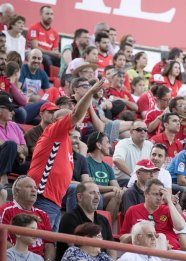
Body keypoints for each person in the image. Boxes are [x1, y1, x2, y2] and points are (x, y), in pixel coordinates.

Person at [28, 79, 105, 231]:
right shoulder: (54, 131)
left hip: (55, 199)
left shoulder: (66, 142)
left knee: (50, 243)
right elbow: (76, 115)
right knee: (41, 240)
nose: (72, 119)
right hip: (43, 195)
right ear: (58, 120)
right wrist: (90, 92)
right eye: (67, 116)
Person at [0, 176, 54, 261]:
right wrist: (23, 259)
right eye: (29, 187)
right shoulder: (6, 210)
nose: (34, 190)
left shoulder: (43, 214)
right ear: (17, 191)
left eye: (35, 188)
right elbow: (2, 240)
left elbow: (49, 243)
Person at [56, 181, 115, 261]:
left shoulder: (103, 220)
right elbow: (75, 250)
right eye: (92, 193)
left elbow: (111, 248)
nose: (97, 197)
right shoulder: (69, 218)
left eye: (98, 193)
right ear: (79, 197)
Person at [58, 222, 126, 261]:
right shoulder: (73, 251)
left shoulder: (101, 256)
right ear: (86, 238)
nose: (102, 240)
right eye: (99, 236)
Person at [86, 131, 124, 221]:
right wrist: (112, 188)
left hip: (104, 198)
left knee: (121, 194)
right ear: (99, 145)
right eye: (107, 142)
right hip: (90, 197)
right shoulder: (85, 162)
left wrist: (120, 190)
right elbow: (90, 187)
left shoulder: (107, 167)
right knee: (116, 194)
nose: (110, 146)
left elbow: (116, 188)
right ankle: (106, 226)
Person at [0, 94, 29, 187]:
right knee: (11, 144)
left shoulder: (14, 125)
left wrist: (21, 152)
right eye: (10, 109)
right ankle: (3, 178)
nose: (13, 112)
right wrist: (16, 148)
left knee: (34, 167)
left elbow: (25, 149)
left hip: (14, 161)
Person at [112, 120, 153, 186]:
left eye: (145, 130)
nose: (143, 132)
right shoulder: (123, 143)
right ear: (131, 132)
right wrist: (133, 175)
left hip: (143, 181)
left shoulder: (150, 145)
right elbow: (117, 160)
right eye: (139, 129)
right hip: (124, 181)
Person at [26, 5, 60, 76]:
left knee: (61, 61)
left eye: (51, 14)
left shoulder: (55, 33)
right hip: (34, 53)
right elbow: (34, 47)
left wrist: (59, 55)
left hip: (48, 55)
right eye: (47, 14)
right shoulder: (34, 27)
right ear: (41, 15)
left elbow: (55, 51)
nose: (50, 16)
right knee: (46, 58)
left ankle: (59, 82)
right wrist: (51, 53)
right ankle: (48, 81)